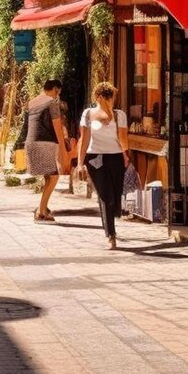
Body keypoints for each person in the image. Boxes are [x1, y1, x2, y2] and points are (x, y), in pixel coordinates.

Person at [78, 82, 129, 249]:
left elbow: (123, 141)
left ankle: (111, 218)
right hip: (95, 158)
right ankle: (111, 235)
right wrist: (80, 163)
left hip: (115, 157)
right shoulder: (88, 114)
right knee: (106, 194)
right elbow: (84, 140)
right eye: (106, 96)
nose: (109, 99)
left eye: (111, 96)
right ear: (97, 97)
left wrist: (125, 154)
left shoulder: (119, 114)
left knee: (115, 195)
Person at [25, 79, 70, 222]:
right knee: (54, 176)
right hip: (45, 143)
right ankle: (41, 211)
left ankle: (43, 210)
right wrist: (62, 148)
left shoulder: (32, 102)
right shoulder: (52, 103)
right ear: (55, 90)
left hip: (31, 142)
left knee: (48, 177)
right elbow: (57, 126)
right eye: (58, 92)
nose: (57, 95)